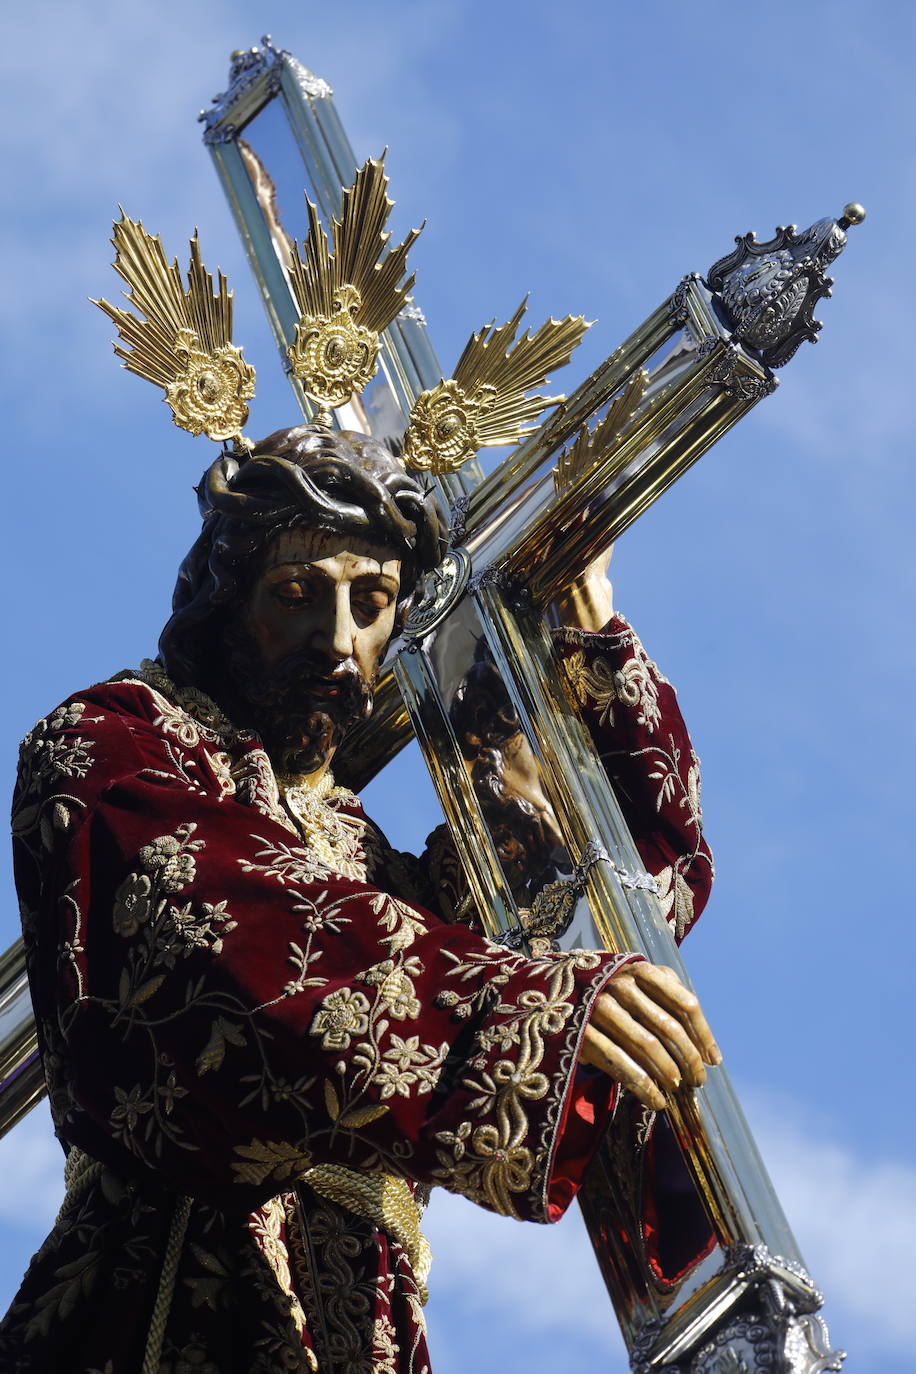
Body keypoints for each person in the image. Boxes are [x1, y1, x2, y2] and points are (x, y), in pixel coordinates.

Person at [1, 422, 717, 1374]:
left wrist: (585, 646)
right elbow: (209, 932)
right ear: (227, 598)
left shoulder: (381, 877)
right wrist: (510, 1008)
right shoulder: (114, 744)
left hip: (364, 1335)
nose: (339, 640)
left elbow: (611, 892)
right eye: (300, 595)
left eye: (373, 601)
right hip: (157, 1304)